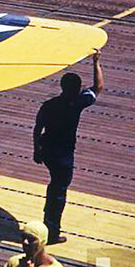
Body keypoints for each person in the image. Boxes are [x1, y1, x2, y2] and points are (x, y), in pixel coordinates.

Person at [33, 50, 103, 244]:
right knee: (59, 191)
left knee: (54, 186)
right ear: (77, 88)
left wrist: (36, 149)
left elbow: (38, 127)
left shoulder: (49, 105)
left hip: (47, 150)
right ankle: (52, 231)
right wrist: (96, 62)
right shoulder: (77, 103)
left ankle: (49, 223)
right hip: (64, 155)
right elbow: (98, 87)